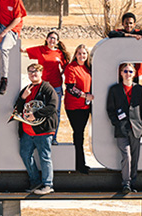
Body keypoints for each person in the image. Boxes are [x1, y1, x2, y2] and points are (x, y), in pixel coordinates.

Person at [13, 63, 58, 194]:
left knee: (45, 156)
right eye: (30, 72)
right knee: (25, 154)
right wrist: (23, 97)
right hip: (28, 130)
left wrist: (36, 115)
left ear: (41, 73)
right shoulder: (26, 89)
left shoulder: (47, 88)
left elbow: (52, 106)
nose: (33, 74)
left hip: (43, 130)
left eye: (36, 71)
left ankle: (48, 184)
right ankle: (35, 181)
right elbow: (18, 108)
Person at [107, 62, 142, 193]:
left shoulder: (139, 89)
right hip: (121, 128)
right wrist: (116, 123)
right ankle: (126, 184)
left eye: (130, 71)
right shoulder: (115, 89)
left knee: (135, 157)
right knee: (127, 156)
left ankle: (133, 183)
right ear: (120, 73)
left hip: (136, 128)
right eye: (125, 71)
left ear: (134, 74)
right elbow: (110, 109)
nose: (128, 74)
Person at [22, 31, 70, 142]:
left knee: (55, 112)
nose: (52, 40)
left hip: (56, 87)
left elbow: (66, 68)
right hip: (42, 86)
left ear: (57, 41)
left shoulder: (60, 53)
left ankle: (53, 137)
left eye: (54, 39)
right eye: (50, 38)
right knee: (39, 109)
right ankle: (40, 134)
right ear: (47, 39)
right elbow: (24, 50)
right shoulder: (40, 50)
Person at [63, 44, 93, 174]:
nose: (82, 56)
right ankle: (79, 164)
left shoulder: (87, 68)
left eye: (84, 54)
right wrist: (85, 95)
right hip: (74, 106)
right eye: (80, 53)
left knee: (81, 134)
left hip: (85, 105)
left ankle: (79, 162)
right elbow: (71, 88)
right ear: (75, 54)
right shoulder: (71, 68)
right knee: (78, 133)